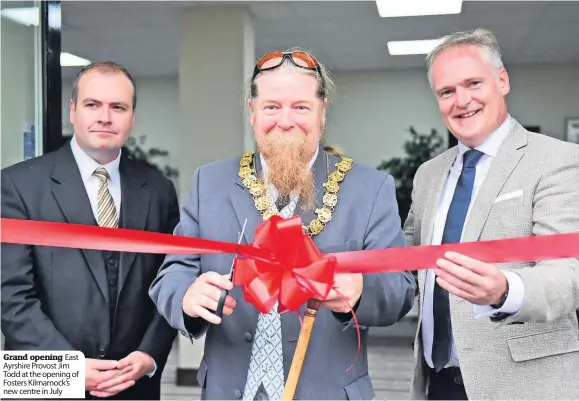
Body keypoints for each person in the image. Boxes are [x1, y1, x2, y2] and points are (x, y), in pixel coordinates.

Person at [149, 49, 416, 400]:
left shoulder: (369, 188)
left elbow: (401, 287)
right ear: (252, 112)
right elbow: (172, 273)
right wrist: (186, 295)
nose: (285, 120)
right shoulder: (208, 182)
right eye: (272, 107)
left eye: (300, 107)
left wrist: (361, 290)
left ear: (322, 114)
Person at [406, 28, 579, 400]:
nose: (461, 100)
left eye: (473, 83)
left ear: (502, 81)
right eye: (447, 91)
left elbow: (569, 273)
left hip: (525, 386)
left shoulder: (558, 161)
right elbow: (404, 261)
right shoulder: (428, 175)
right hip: (437, 384)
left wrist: (505, 291)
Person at [1, 61, 180, 400]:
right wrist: (68, 367)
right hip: (44, 384)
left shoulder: (158, 190)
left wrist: (148, 355)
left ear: (132, 117)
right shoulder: (17, 186)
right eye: (92, 104)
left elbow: (169, 284)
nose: (105, 117)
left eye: (118, 107)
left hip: (133, 385)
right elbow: (10, 296)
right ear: (73, 110)